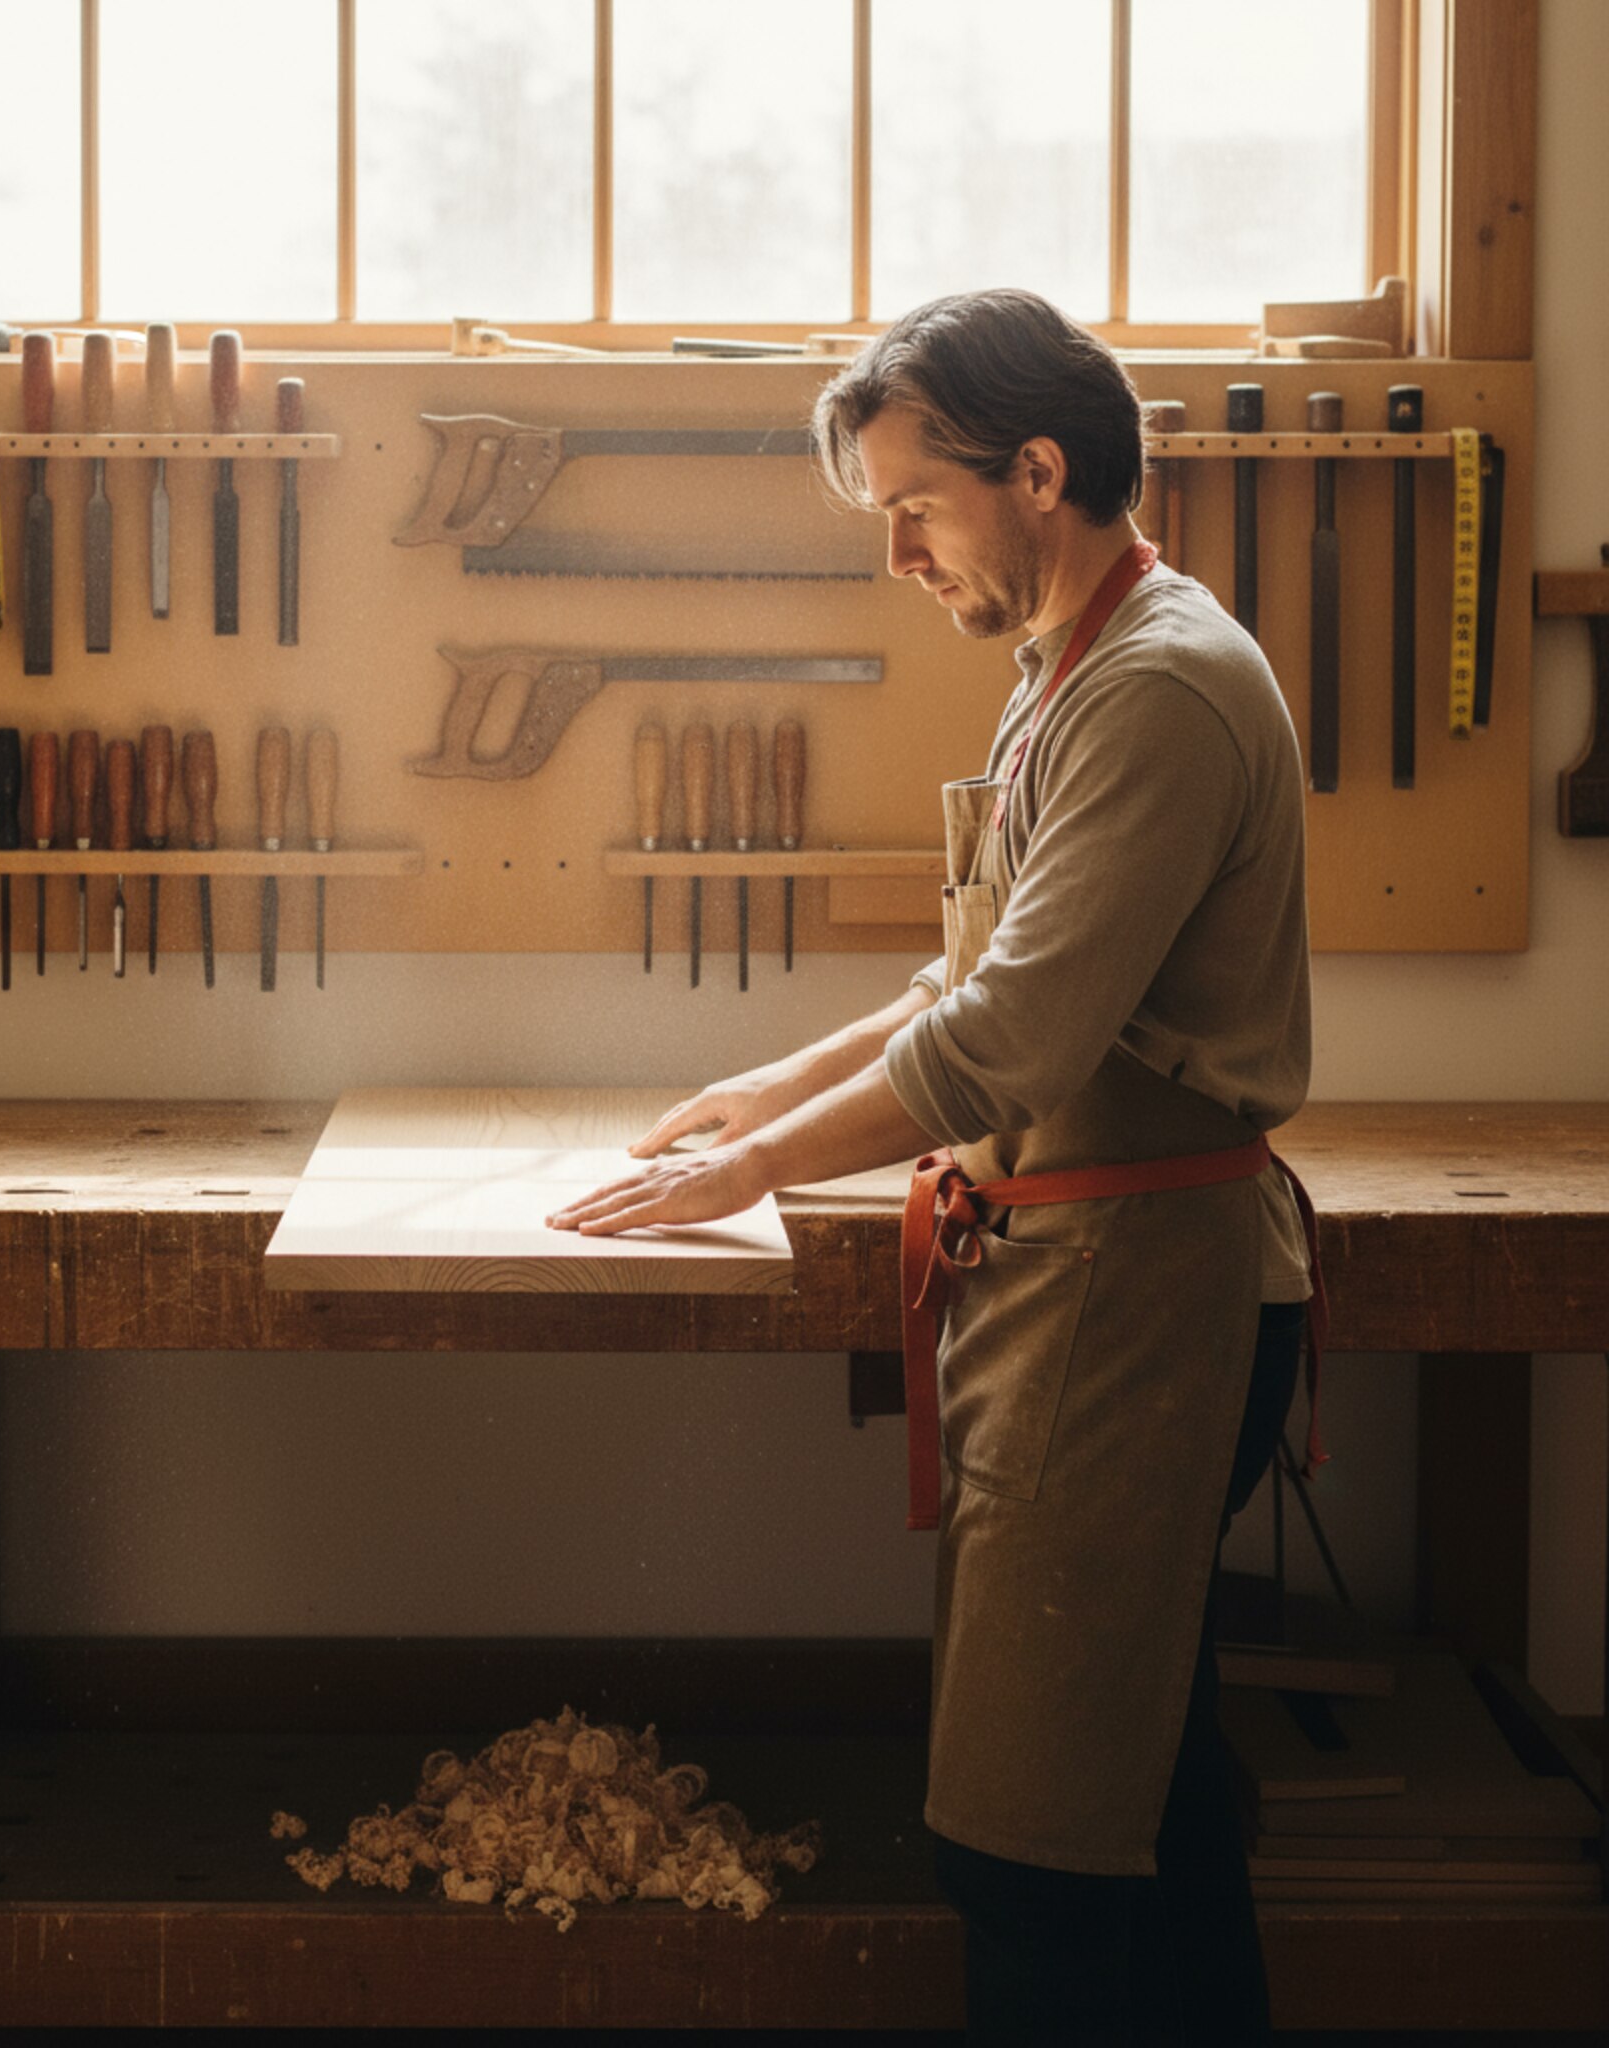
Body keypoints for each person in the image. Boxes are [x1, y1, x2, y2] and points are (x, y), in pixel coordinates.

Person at [548, 287, 1319, 2045]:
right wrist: (763, 1095)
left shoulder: (1163, 691)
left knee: (1034, 1845)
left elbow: (1005, 1048)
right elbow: (962, 982)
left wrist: (739, 1188)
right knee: (1154, 1796)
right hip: (1075, 1285)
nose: (896, 553)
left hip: (1135, 1307)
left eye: (915, 508)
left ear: (1038, 471)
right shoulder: (1078, 664)